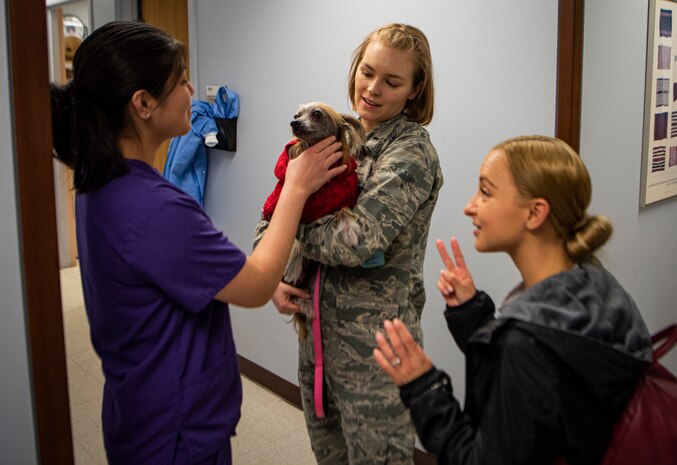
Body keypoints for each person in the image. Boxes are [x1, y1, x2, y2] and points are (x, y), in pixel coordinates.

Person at [50, 21, 346, 465]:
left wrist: (252, 277)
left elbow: (168, 276)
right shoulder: (155, 208)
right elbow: (257, 284)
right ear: (143, 103)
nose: (193, 90)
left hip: (138, 412)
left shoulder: (101, 185)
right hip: (175, 437)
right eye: (182, 80)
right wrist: (296, 188)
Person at [373, 135, 654, 465]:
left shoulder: (525, 345)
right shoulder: (598, 287)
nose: (470, 206)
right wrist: (472, 314)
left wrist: (423, 388)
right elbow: (546, 385)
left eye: (486, 192)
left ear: (535, 212)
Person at [254, 23, 443, 464]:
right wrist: (273, 276)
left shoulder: (410, 153)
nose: (372, 89)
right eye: (367, 71)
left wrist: (293, 214)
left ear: (414, 91)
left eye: (392, 81)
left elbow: (354, 242)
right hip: (316, 336)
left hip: (376, 353)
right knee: (330, 457)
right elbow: (270, 212)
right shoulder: (332, 133)